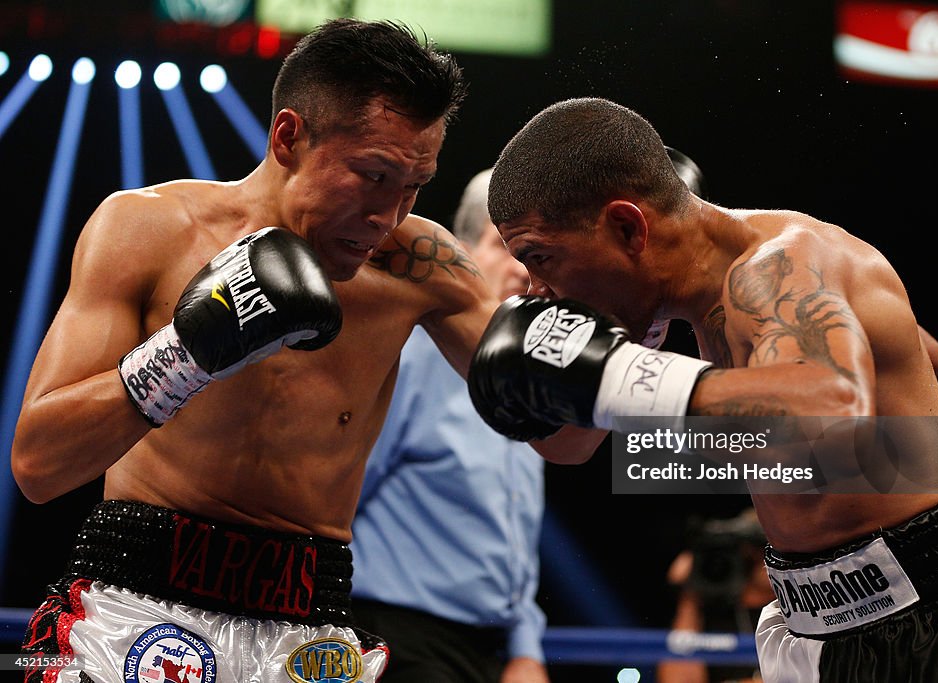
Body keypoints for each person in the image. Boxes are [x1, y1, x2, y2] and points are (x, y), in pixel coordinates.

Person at [9, 20, 602, 683]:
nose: (390, 214)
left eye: (415, 184)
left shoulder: (422, 267)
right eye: (373, 175)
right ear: (288, 135)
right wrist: (186, 352)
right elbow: (37, 463)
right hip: (131, 601)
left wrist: (630, 320)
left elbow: (566, 441)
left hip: (309, 626)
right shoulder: (146, 229)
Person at [467, 97, 938, 682]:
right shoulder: (710, 300)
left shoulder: (776, 263)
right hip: (822, 620)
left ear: (628, 227)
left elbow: (833, 413)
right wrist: (622, 353)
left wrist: (619, 373)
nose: (536, 288)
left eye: (541, 257)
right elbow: (567, 446)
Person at [349, 168, 549, 683]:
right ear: (460, 254)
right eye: (507, 249)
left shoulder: (525, 379)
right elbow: (341, 494)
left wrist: (525, 646)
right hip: (398, 638)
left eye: (538, 257)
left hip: (489, 649)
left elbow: (514, 536)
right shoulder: (414, 356)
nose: (524, 272)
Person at [657, 509, 770, 683]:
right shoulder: (712, 610)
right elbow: (678, 680)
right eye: (753, 549)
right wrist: (690, 594)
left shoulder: (805, 610)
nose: (762, 559)